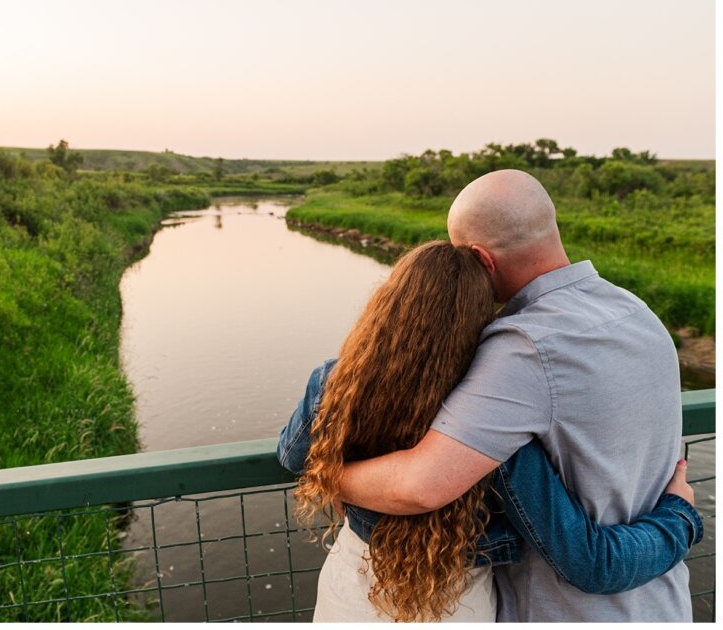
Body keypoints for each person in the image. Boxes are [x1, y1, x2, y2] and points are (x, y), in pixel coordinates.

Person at [277, 240, 701, 622]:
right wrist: (680, 516)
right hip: (456, 603)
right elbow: (588, 559)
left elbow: (291, 456)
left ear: (386, 304)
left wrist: (326, 478)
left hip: (352, 584)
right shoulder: (487, 425)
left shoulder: (335, 384)